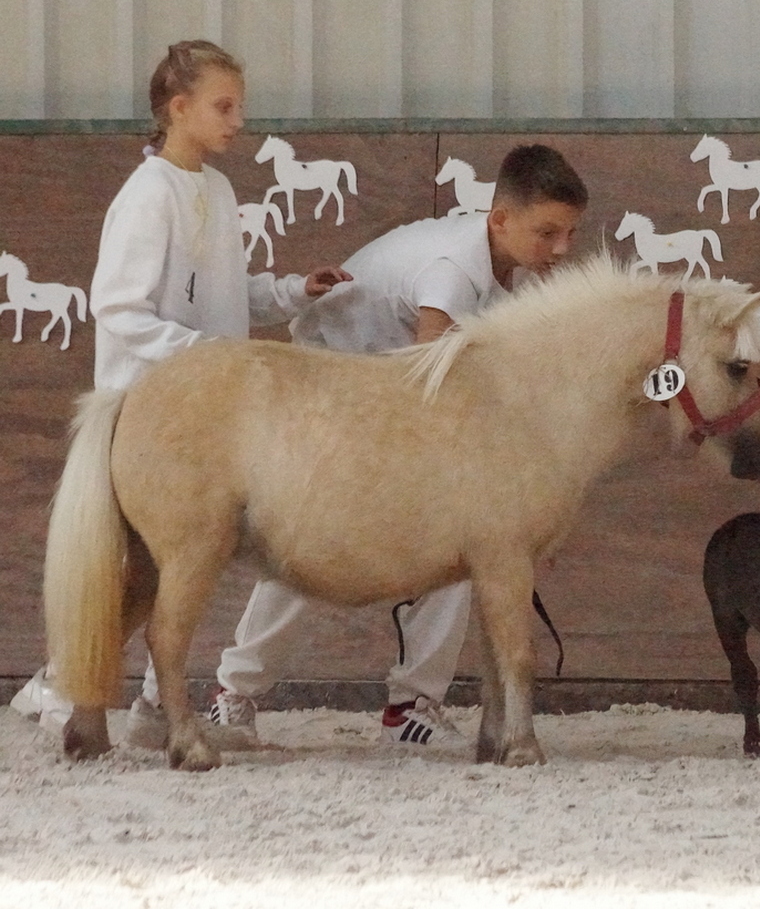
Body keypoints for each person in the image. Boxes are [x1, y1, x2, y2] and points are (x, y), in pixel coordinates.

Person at [9, 40, 349, 734]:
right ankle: (75, 690)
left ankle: (126, 703)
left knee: (172, 567)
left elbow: (224, 294)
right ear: (179, 108)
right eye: (224, 107)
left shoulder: (217, 190)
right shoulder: (146, 196)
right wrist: (206, 359)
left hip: (203, 408)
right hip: (148, 408)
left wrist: (291, 291)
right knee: (137, 569)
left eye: (240, 108)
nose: (238, 122)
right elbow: (120, 309)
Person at [203, 143, 588, 746]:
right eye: (548, 233)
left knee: (463, 543)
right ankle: (234, 695)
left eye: (569, 233)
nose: (562, 249)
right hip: (335, 380)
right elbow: (432, 387)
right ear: (500, 220)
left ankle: (411, 708)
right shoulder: (454, 270)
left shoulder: (511, 274)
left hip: (386, 387)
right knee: (312, 542)